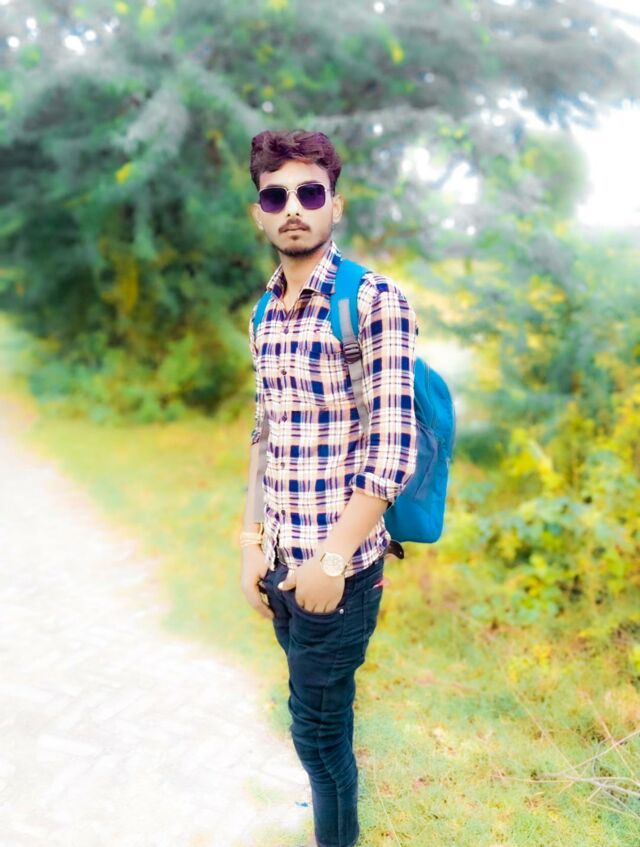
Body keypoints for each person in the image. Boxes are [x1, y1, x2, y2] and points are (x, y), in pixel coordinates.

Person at [240, 129, 418, 847]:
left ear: (334, 206)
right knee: (316, 726)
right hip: (283, 561)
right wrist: (251, 544)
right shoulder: (263, 312)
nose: (293, 207)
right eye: (275, 196)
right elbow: (264, 434)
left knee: (318, 736)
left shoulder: (372, 300)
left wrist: (334, 560)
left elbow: (392, 447)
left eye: (309, 193)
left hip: (336, 573)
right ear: (259, 213)